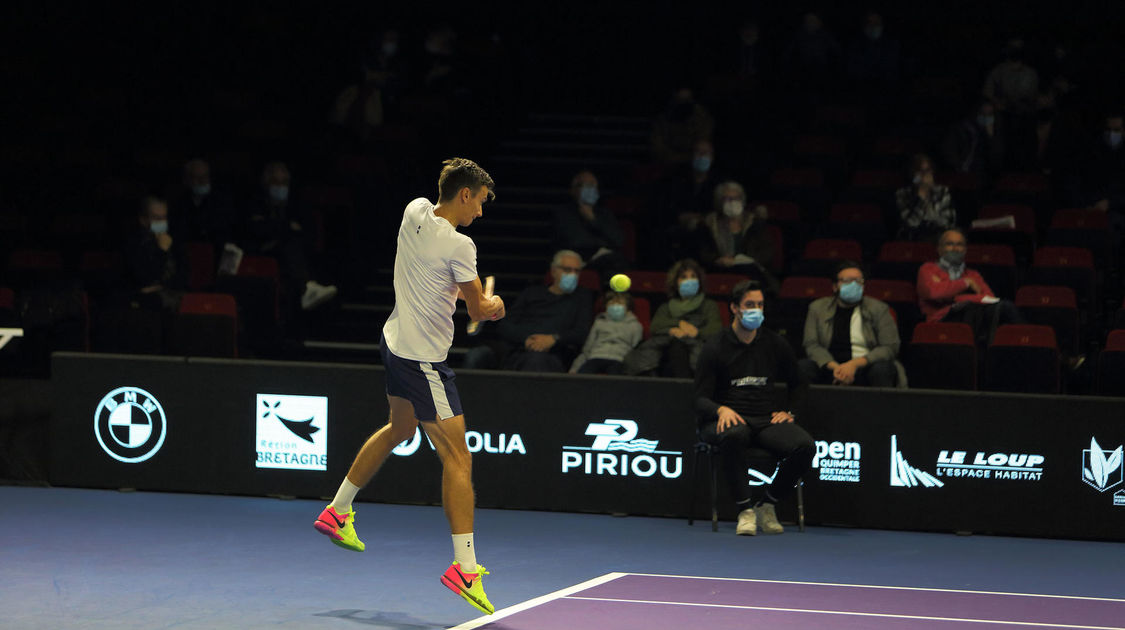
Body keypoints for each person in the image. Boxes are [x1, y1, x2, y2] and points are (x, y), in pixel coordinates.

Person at [313, 158, 503, 615]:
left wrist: (462, 291)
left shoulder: (414, 209)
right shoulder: (462, 245)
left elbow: (433, 276)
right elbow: (478, 311)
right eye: (479, 201)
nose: (480, 212)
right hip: (423, 362)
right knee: (459, 457)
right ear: (464, 194)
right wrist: (495, 305)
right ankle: (465, 567)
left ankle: (337, 510)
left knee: (400, 429)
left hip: (393, 342)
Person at [695, 280, 814, 535]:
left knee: (805, 447)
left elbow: (799, 383)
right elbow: (700, 398)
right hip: (726, 419)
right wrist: (721, 410)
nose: (756, 310)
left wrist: (790, 412)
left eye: (760, 305)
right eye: (750, 305)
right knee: (735, 435)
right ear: (735, 308)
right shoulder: (715, 346)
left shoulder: (774, 343)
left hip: (765, 419)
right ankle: (744, 510)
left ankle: (767, 505)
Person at [476, 250, 594, 372]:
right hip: (520, 349)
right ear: (554, 271)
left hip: (557, 354)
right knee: (478, 355)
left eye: (577, 271)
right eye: (567, 270)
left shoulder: (582, 298)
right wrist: (527, 339)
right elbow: (505, 325)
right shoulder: (531, 294)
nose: (572, 275)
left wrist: (553, 339)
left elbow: (581, 332)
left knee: (536, 360)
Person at [244, 162, 337, 310]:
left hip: (293, 254)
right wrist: (287, 227)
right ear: (266, 183)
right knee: (290, 243)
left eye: (284, 182)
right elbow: (257, 230)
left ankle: (308, 289)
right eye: (276, 182)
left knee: (294, 246)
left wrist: (277, 227)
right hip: (264, 252)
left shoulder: (296, 204)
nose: (281, 187)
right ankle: (307, 287)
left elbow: (308, 233)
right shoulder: (256, 203)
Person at [798, 261, 902, 387]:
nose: (854, 285)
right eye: (847, 280)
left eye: (858, 281)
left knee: (883, 369)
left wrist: (853, 365)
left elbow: (889, 347)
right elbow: (811, 345)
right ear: (835, 286)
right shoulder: (817, 308)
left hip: (865, 366)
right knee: (803, 367)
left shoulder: (879, 309)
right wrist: (837, 368)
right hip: (830, 366)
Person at [917, 229, 1023, 346]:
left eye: (959, 244)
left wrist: (953, 294)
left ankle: (1022, 343)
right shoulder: (927, 269)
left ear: (965, 250)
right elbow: (933, 293)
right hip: (940, 321)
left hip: (974, 319)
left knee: (1002, 309)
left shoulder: (973, 275)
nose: (955, 248)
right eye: (949, 244)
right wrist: (966, 284)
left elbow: (989, 300)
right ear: (939, 249)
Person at [624, 259, 721, 377]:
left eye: (693, 276)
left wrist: (696, 332)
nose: (689, 280)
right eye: (684, 277)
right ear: (676, 282)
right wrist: (675, 327)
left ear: (700, 281)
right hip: (665, 351)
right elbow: (655, 326)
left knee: (679, 348)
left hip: (696, 351)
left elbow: (715, 329)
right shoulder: (666, 307)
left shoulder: (708, 305)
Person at [692, 180, 778, 290]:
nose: (732, 202)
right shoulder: (709, 224)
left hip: (750, 273)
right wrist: (718, 259)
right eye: (727, 199)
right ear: (720, 202)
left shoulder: (755, 224)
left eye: (736, 198)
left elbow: (766, 253)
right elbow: (703, 252)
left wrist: (740, 260)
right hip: (718, 272)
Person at [551, 170, 627, 282]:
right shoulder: (563, 213)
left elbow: (618, 240)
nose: (591, 190)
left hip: (606, 262)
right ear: (574, 190)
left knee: (617, 265)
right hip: (576, 261)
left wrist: (593, 220)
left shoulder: (604, 214)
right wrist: (603, 244)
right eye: (587, 186)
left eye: (594, 186)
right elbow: (576, 241)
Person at [124, 196, 188, 312]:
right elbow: (145, 279)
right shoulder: (134, 243)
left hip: (173, 293)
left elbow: (184, 276)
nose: (161, 222)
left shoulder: (175, 241)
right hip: (147, 300)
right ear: (143, 220)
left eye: (164, 218)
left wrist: (162, 285)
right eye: (156, 218)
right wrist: (161, 251)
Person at [569, 291, 643, 375]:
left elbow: (635, 348)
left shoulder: (635, 326)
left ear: (627, 308)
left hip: (619, 359)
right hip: (596, 356)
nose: (615, 306)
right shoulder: (599, 322)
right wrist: (575, 368)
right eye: (611, 303)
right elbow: (588, 347)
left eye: (619, 303)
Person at [895, 154, 957, 242]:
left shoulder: (942, 192)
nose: (924, 175)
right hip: (912, 239)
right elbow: (911, 224)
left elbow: (948, 222)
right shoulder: (903, 194)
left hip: (938, 239)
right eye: (920, 171)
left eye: (927, 170)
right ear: (913, 174)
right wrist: (921, 196)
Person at [940, 101, 1006, 179]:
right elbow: (949, 150)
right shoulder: (961, 129)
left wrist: (991, 137)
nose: (986, 118)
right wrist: (958, 168)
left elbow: (997, 161)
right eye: (982, 114)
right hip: (960, 175)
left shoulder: (996, 132)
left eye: (989, 115)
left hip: (983, 178)